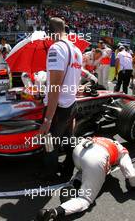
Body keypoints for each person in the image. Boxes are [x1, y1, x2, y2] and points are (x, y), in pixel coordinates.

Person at [37, 136, 135, 220]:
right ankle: (53, 212)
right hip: (95, 160)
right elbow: (131, 175)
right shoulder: (123, 152)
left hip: (79, 151)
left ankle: (74, 183)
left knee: (85, 170)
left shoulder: (106, 139)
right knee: (85, 200)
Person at [39, 17, 82, 178]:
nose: (48, 37)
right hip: (71, 104)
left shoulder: (56, 48)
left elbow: (55, 87)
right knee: (69, 140)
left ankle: (49, 175)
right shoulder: (77, 50)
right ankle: (68, 170)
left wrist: (47, 119)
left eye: (48, 33)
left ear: (52, 31)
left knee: (50, 144)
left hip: (58, 108)